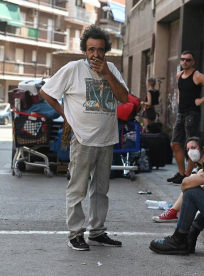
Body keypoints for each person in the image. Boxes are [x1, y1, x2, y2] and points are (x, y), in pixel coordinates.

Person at [40, 25, 129, 251]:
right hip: (82, 138)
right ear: (85, 51)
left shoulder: (112, 70)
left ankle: (97, 231)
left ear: (106, 50)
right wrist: (65, 114)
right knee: (78, 188)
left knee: (101, 190)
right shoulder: (73, 69)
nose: (96, 54)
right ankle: (75, 234)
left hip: (106, 139)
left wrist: (107, 73)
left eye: (100, 49)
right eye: (91, 49)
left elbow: (124, 97)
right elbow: (46, 92)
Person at [167, 50, 204, 185]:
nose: (184, 62)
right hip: (182, 113)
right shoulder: (179, 75)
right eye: (182, 59)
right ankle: (181, 173)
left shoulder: (197, 76)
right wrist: (179, 102)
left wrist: (201, 100)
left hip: (192, 113)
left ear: (193, 62)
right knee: (174, 143)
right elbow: (181, 92)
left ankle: (187, 174)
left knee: (192, 145)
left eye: (188, 60)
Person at [152, 136, 204, 223]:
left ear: (202, 148)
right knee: (194, 177)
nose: (190, 151)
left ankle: (173, 211)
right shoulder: (200, 164)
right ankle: (175, 210)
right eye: (188, 149)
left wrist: (202, 188)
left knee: (191, 185)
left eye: (193, 148)